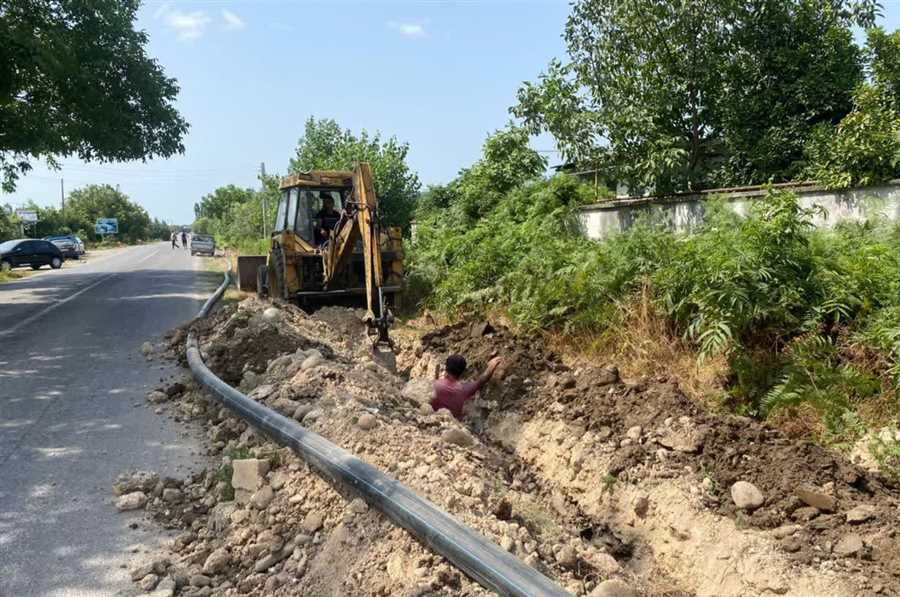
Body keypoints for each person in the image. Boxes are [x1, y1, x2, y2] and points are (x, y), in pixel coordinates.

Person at [431, 354, 503, 419]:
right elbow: (482, 380)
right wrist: (491, 366)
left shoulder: (435, 385)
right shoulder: (465, 389)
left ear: (446, 368)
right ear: (462, 372)